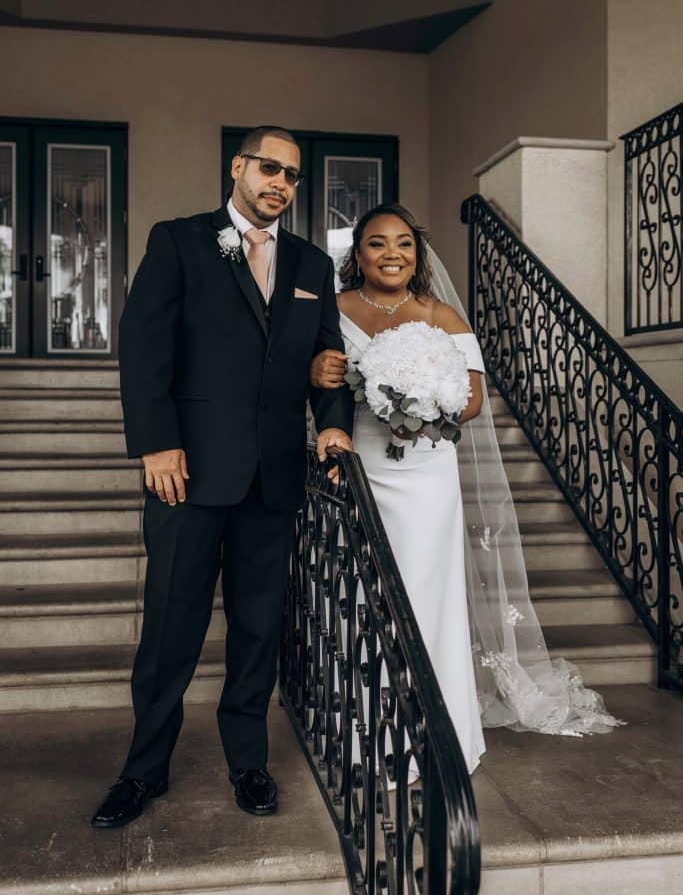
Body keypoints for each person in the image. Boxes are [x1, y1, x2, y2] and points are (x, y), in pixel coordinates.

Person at [91, 126, 353, 828]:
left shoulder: (309, 264)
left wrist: (332, 419)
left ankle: (249, 763)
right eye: (269, 168)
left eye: (292, 176)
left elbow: (326, 356)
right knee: (170, 629)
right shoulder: (179, 240)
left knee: (258, 627)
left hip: (273, 475)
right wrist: (155, 445)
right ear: (238, 167)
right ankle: (142, 771)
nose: (281, 183)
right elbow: (144, 349)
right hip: (188, 472)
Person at [311, 203, 622, 774]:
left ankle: (432, 728)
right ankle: (360, 726)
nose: (391, 254)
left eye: (403, 243)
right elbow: (312, 375)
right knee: (361, 592)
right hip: (362, 468)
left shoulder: (442, 314)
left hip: (426, 475)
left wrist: (426, 404)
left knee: (427, 593)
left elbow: (473, 400)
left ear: (417, 253)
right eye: (377, 244)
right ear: (356, 255)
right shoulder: (333, 311)